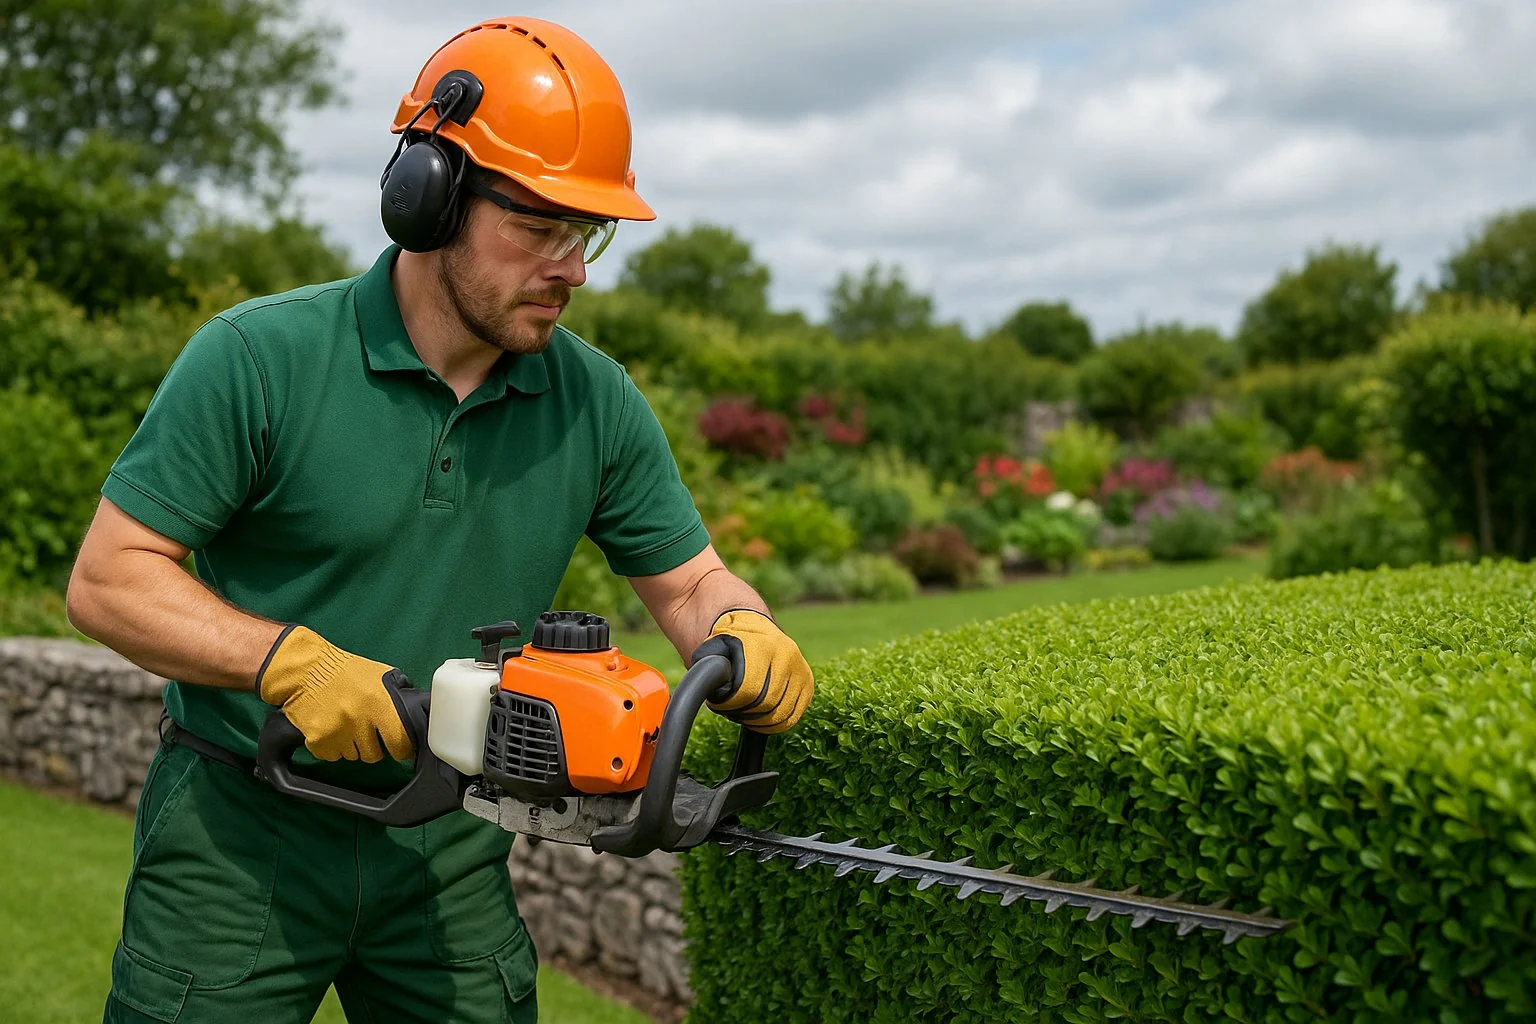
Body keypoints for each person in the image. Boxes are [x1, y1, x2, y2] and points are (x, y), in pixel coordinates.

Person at [66, 17, 814, 1024]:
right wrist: (288, 662)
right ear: (429, 195)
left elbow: (687, 580)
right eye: (539, 226)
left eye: (585, 234)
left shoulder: (594, 401)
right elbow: (109, 577)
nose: (572, 269)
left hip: (452, 848)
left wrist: (741, 624)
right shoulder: (257, 359)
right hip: (241, 834)